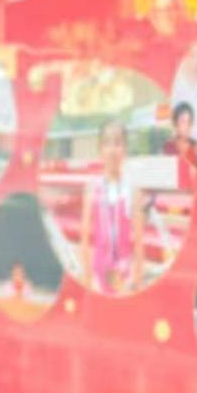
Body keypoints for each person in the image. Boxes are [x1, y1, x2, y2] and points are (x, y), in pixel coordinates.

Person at [79, 119, 146, 294]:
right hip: (98, 274)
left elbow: (139, 244)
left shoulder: (133, 190)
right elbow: (84, 240)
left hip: (124, 275)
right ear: (100, 149)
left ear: (125, 149)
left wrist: (137, 283)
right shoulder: (92, 188)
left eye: (117, 143)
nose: (112, 150)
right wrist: (88, 281)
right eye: (107, 143)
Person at [163, 101, 197, 185]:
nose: (187, 126)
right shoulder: (169, 146)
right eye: (183, 121)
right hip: (174, 189)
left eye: (189, 121)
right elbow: (166, 175)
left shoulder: (196, 147)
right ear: (176, 124)